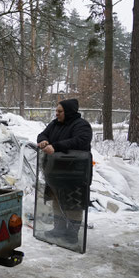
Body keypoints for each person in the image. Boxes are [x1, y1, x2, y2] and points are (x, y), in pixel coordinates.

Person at [37, 98, 92, 243]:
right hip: (55, 172)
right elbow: (43, 134)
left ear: (68, 112)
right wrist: (43, 140)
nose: (57, 114)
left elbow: (80, 141)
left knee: (73, 204)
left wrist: (56, 146)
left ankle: (72, 233)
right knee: (57, 200)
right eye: (56, 111)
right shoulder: (55, 124)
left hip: (75, 173)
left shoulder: (82, 125)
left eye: (60, 111)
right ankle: (59, 229)